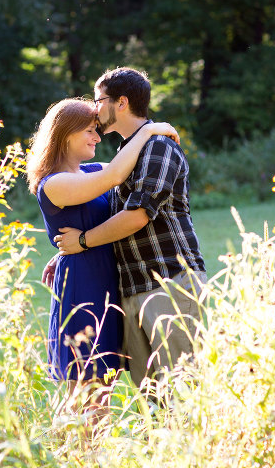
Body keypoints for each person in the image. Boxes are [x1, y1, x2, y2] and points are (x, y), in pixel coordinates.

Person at [49, 68, 207, 395]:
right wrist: (62, 252)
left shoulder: (158, 147)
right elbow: (106, 210)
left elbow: (136, 217)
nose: (94, 109)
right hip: (133, 290)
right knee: (152, 401)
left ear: (121, 103)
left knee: (183, 394)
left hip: (170, 283)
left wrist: (81, 242)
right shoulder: (126, 156)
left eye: (98, 100)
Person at [27, 97, 180, 408]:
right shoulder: (53, 184)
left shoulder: (90, 171)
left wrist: (64, 253)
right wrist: (149, 132)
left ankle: (84, 454)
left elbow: (125, 179)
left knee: (102, 389)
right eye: (89, 130)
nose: (97, 137)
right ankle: (72, 455)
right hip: (84, 289)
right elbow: (114, 176)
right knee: (86, 393)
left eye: (97, 129)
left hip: (109, 286)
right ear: (64, 134)